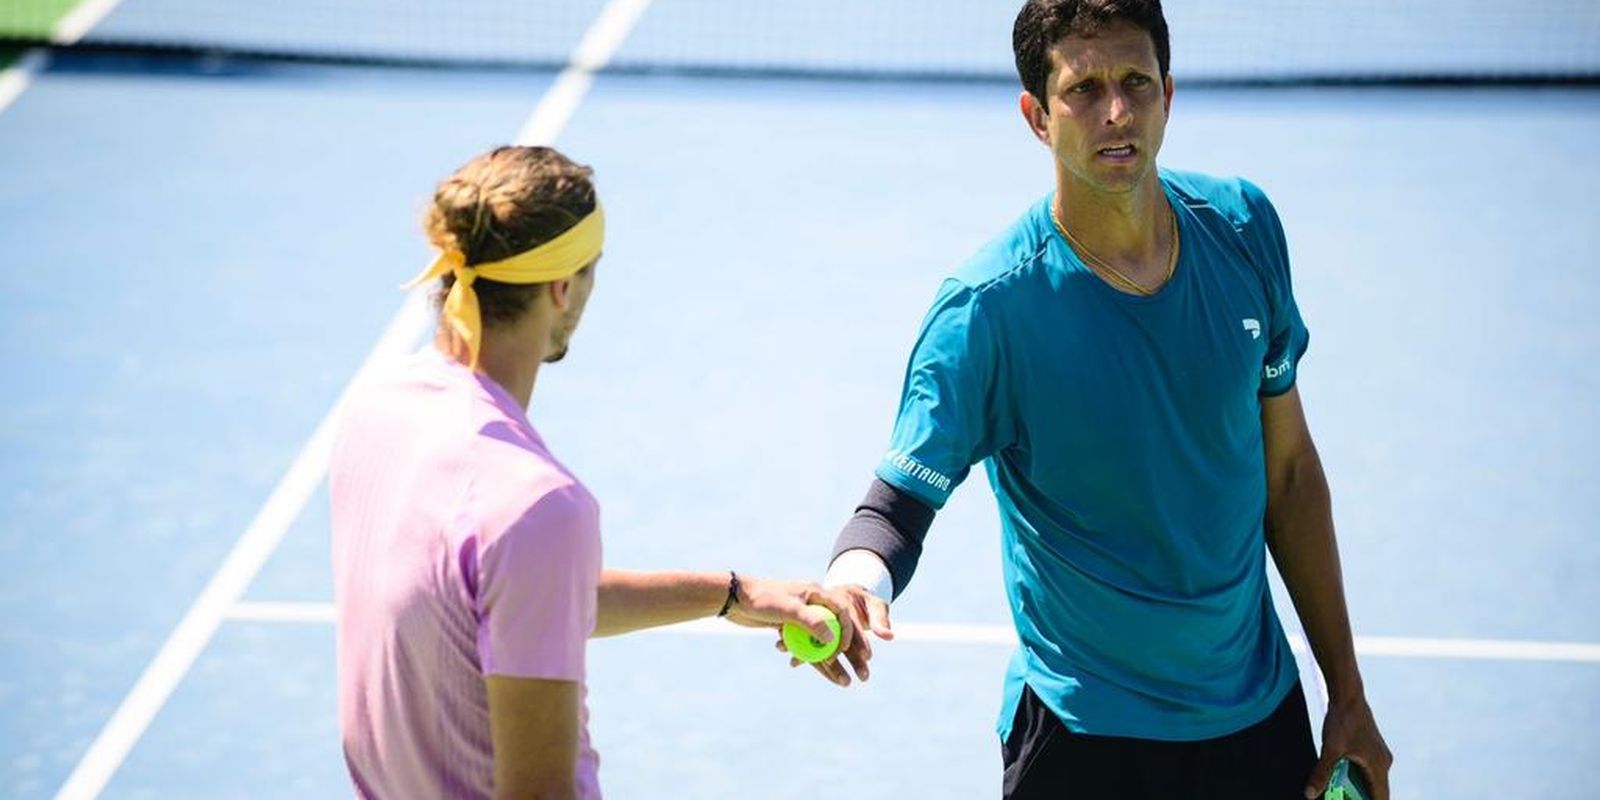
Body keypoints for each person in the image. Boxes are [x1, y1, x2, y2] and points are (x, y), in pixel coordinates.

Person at [815, 2, 1393, 798]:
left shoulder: (1243, 230)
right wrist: (854, 582)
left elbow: (1288, 475)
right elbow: (894, 510)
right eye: (1083, 89)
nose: (1116, 112)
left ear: (1169, 94)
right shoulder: (988, 311)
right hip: (1084, 739)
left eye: (1135, 83)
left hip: (1258, 719)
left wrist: (1348, 693)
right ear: (1036, 117)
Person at [330, 145, 871, 800]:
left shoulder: (375, 412)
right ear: (562, 288)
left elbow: (511, 596)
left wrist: (731, 594)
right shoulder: (536, 505)